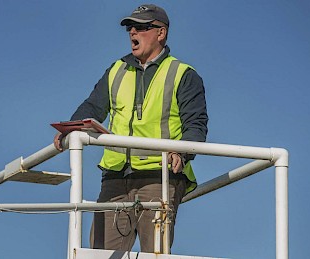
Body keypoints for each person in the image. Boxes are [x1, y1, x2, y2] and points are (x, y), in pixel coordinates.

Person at [54, 4, 208, 253]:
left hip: (159, 176)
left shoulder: (184, 75)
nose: (133, 32)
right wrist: (70, 130)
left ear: (161, 33)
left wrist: (183, 152)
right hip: (115, 178)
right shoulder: (116, 70)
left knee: (154, 255)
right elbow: (92, 107)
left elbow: (196, 124)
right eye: (130, 27)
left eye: (142, 27)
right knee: (101, 254)